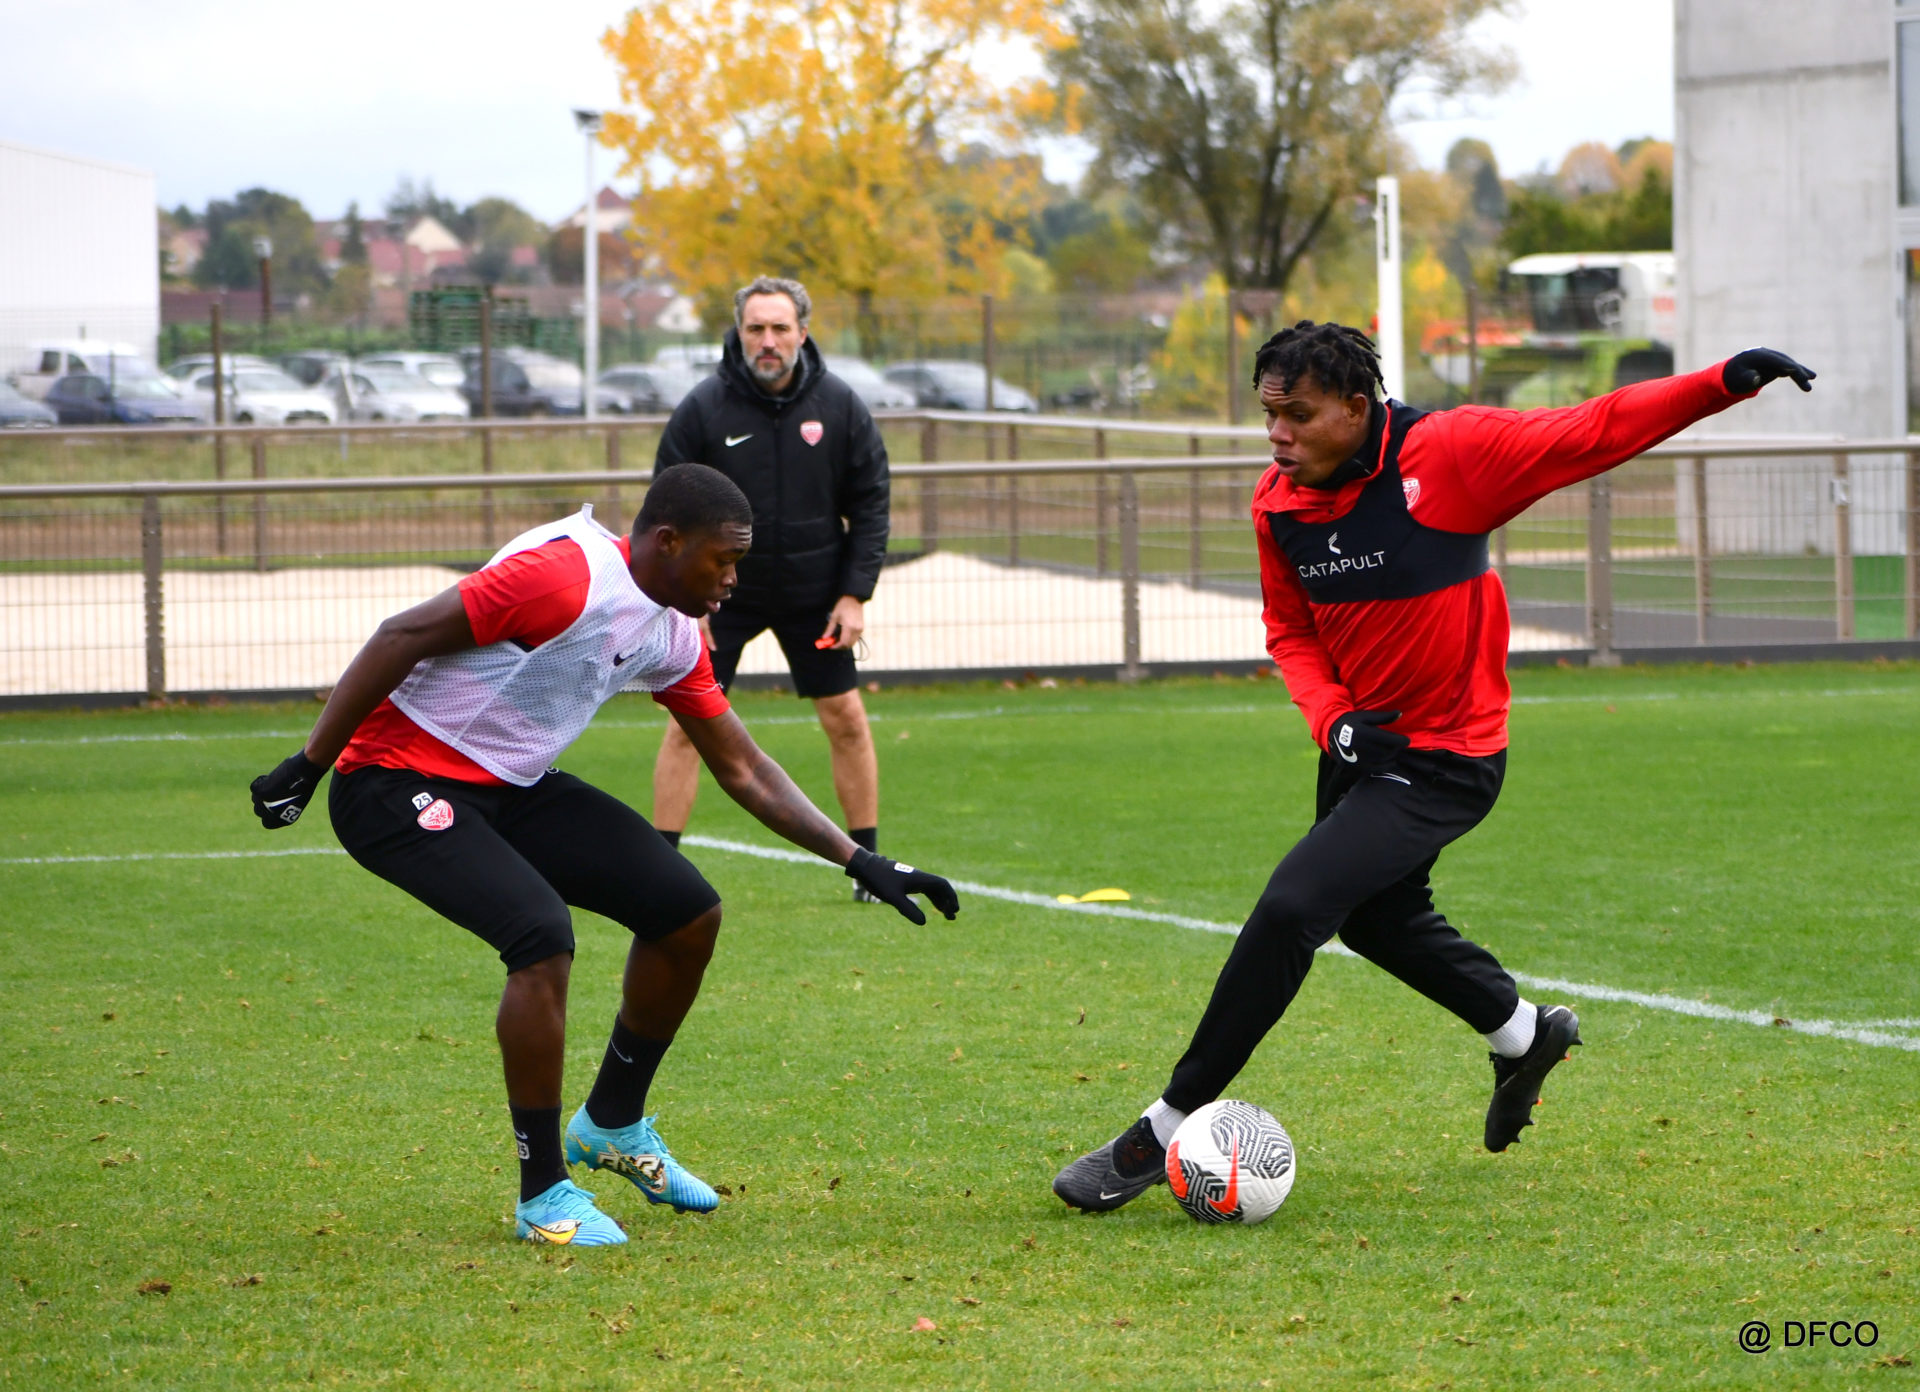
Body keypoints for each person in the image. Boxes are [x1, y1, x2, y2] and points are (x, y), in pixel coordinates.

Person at [1053, 324, 1816, 1212]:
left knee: (1296, 906)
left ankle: (1166, 1123)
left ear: (1355, 406)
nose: (1278, 436)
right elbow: (1290, 630)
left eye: (1298, 416)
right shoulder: (1278, 503)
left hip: (1448, 758)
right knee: (1376, 921)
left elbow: (1591, 428)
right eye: (1269, 415)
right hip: (1361, 755)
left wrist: (1721, 382)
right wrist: (1335, 723)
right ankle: (1524, 1034)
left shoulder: (1448, 456)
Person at [248, 464, 958, 1247]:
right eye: (721, 561)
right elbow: (401, 635)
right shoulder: (561, 578)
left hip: (511, 783)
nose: (730, 580)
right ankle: (542, 1191)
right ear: (667, 541)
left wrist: (861, 860)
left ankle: (613, 1123)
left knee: (686, 913)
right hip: (391, 779)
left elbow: (744, 767)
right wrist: (309, 765)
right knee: (540, 937)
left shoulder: (674, 630)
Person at [650, 276, 891, 901]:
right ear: (739, 332)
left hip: (816, 591)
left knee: (845, 719)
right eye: (756, 328)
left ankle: (868, 861)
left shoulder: (840, 406)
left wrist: (854, 594)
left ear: (803, 334)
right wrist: (681, 603)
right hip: (716, 594)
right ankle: (659, 864)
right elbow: (665, 511)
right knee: (686, 725)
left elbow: (871, 505)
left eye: (780, 328)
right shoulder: (704, 409)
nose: (768, 341)